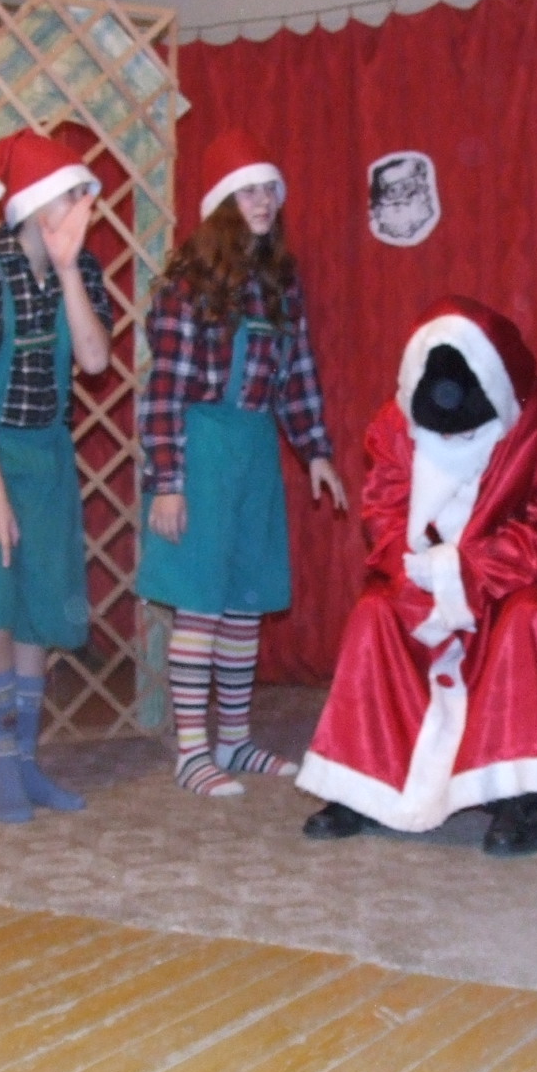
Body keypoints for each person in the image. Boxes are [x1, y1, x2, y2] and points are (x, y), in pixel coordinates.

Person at [296, 296, 537, 858]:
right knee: (375, 612)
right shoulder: (394, 422)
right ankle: (361, 782)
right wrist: (422, 575)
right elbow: (384, 513)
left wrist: (469, 573)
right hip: (429, 565)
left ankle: (519, 793)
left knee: (527, 620)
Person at [138, 129, 348, 798]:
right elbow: (164, 391)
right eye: (249, 190)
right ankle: (191, 751)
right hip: (200, 450)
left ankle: (234, 740)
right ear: (224, 203)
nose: (263, 201)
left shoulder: (280, 283)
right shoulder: (188, 284)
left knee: (244, 605)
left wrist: (315, 450)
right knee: (200, 605)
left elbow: (298, 372)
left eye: (269, 190)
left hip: (255, 452)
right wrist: (167, 483)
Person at [0, 129, 112, 823]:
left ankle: (29, 763)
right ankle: (3, 769)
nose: (88, 205)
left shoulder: (81, 270)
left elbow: (94, 360)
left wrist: (68, 272)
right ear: (37, 205)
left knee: (37, 613)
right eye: (76, 195)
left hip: (47, 461)